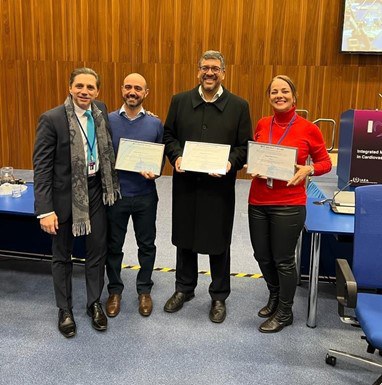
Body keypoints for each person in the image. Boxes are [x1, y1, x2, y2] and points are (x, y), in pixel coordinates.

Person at [163, 50, 252, 323]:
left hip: (219, 188)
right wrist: (176, 156)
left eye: (214, 68)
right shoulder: (180, 101)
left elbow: (243, 146)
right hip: (187, 185)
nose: (209, 73)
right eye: (204, 68)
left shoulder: (238, 106)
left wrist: (229, 163)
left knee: (218, 241)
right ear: (198, 71)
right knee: (185, 239)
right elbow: (169, 135)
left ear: (223, 72)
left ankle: (218, 295)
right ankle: (184, 289)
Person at [33, 67, 119, 338]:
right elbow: (42, 168)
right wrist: (45, 210)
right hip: (63, 197)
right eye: (79, 86)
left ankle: (94, 302)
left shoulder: (101, 110)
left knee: (97, 251)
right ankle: (65, 309)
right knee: (62, 255)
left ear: (98, 91)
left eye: (90, 87)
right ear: (70, 87)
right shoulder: (52, 119)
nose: (85, 92)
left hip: (95, 190)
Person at [247, 75, 332, 333]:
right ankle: (274, 295)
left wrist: (308, 169)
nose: (279, 95)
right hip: (258, 200)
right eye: (274, 91)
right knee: (261, 255)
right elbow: (258, 154)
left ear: (294, 97)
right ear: (269, 96)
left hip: (289, 203)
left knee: (283, 259)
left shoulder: (309, 128)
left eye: (284, 91)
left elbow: (325, 163)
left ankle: (285, 311)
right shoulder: (263, 123)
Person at [105, 73, 163, 318]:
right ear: (121, 89)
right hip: (116, 196)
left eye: (138, 88)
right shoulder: (107, 121)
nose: (132, 92)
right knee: (113, 246)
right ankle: (115, 291)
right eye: (128, 87)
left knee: (146, 245)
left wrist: (155, 174)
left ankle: (144, 290)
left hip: (145, 195)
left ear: (146, 93)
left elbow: (159, 162)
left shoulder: (155, 124)